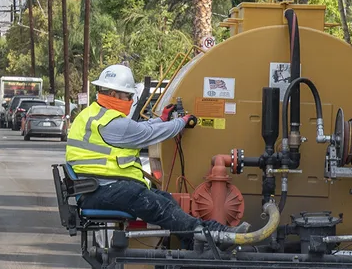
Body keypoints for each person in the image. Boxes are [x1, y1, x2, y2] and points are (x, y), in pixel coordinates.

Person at [67, 64, 244, 240]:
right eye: (128, 96)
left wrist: (161, 119)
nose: (130, 101)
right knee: (153, 203)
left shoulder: (93, 114)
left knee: (165, 199)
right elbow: (147, 134)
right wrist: (181, 122)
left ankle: (199, 239)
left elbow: (136, 128)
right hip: (100, 190)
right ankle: (212, 236)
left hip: (97, 189)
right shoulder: (111, 123)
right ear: (114, 94)